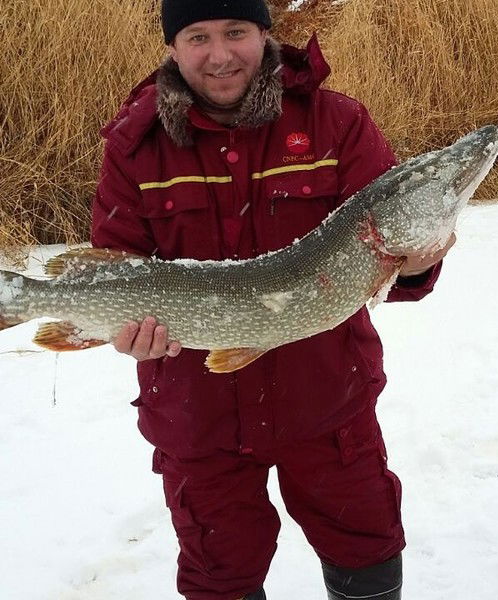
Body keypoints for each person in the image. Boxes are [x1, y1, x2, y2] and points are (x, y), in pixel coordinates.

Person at [91, 1, 454, 598]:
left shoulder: (335, 124)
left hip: (327, 400)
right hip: (196, 415)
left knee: (366, 544)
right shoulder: (136, 147)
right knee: (220, 574)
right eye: (197, 36)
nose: (219, 54)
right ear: (172, 48)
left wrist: (418, 263)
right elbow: (117, 264)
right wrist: (126, 333)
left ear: (265, 34)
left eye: (235, 32)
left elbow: (399, 259)